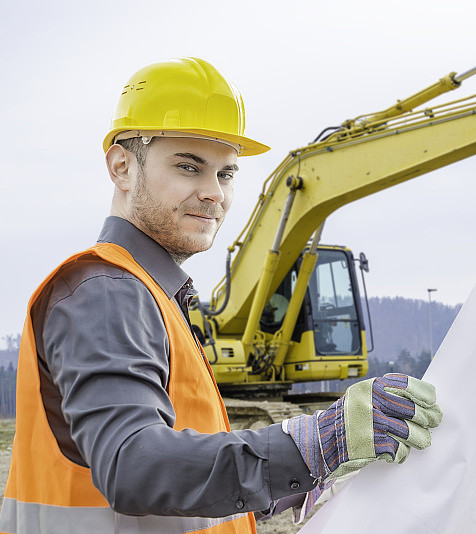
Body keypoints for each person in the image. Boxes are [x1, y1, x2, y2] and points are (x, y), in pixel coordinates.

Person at [0, 57, 442, 534]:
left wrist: (294, 481)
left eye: (226, 173)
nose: (215, 193)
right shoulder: (107, 292)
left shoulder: (153, 297)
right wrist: (312, 444)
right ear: (122, 167)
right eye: (190, 167)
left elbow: (176, 483)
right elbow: (134, 466)